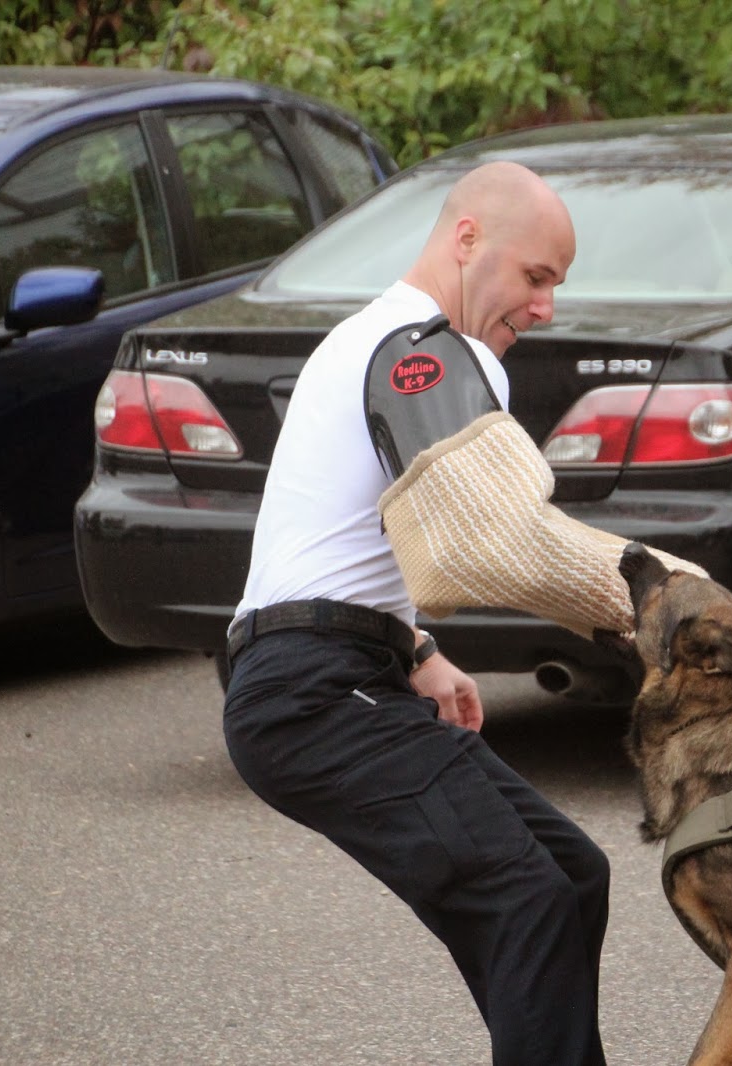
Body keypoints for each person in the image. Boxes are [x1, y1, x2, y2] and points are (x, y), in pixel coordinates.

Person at [221, 162, 610, 1066]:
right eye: (536, 277)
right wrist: (647, 600)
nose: (546, 306)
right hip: (309, 694)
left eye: (556, 283)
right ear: (468, 240)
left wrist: (420, 652)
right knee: (528, 900)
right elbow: (490, 542)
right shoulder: (440, 351)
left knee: (571, 877)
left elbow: (350, 535)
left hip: (324, 675)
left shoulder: (369, 334)